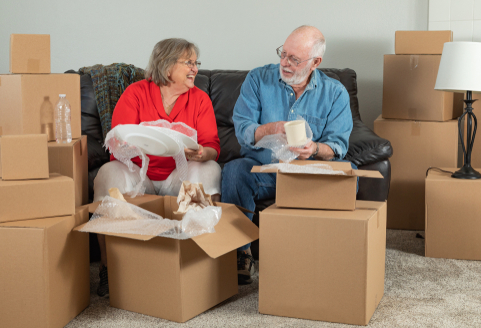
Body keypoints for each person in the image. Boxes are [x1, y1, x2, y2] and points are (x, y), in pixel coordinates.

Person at [222, 26, 354, 285]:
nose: (285, 63)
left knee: (350, 175)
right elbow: (243, 130)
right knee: (234, 170)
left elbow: (337, 146)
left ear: (316, 62)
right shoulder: (258, 79)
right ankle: (240, 252)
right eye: (283, 54)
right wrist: (272, 129)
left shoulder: (335, 92)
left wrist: (314, 148)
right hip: (265, 170)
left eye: (294, 59)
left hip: (308, 173)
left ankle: (326, 252)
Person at [93, 38, 221, 297]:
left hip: (179, 177)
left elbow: (212, 146)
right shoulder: (136, 93)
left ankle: (197, 257)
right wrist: (145, 143)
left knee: (209, 169)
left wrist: (200, 153)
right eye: (189, 63)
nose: (195, 69)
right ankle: (110, 267)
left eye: (196, 63)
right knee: (108, 173)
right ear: (166, 66)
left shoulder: (200, 99)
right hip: (141, 177)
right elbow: (118, 141)